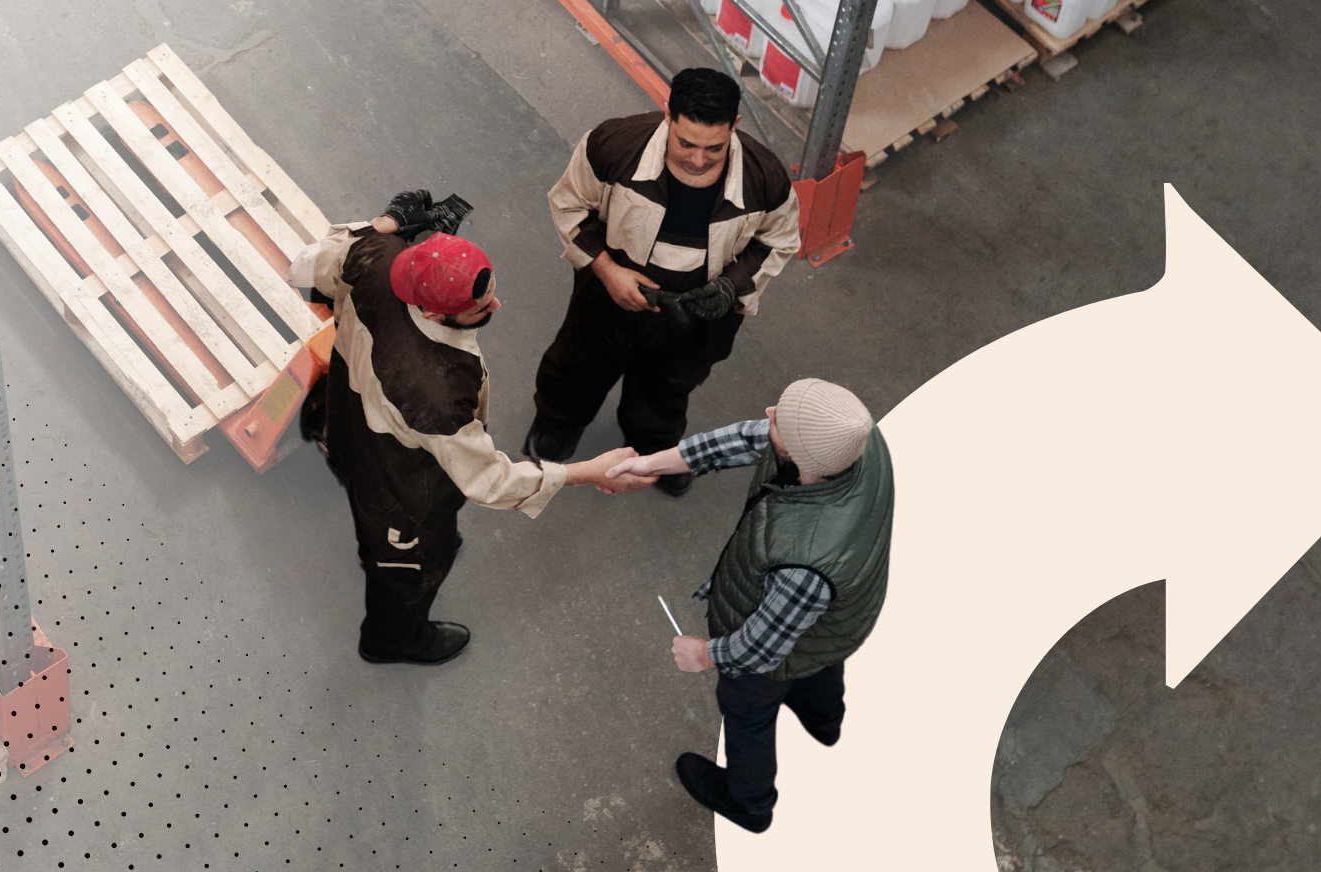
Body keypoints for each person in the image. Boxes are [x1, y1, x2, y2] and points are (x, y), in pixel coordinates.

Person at [291, 194, 652, 667]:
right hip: (400, 482)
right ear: (437, 315)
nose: (497, 305)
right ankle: (392, 640)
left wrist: (385, 224)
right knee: (410, 565)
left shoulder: (377, 255)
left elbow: (304, 269)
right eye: (481, 308)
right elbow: (489, 481)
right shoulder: (435, 392)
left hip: (348, 414)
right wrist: (589, 472)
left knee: (357, 476)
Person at [608, 379, 894, 833]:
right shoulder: (855, 437)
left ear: (799, 458)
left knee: (747, 711)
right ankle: (825, 721)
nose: (768, 412)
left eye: (780, 419)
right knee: (818, 658)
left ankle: (749, 802)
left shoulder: (806, 564)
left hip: (783, 638)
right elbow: (746, 437)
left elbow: (758, 649)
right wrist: (650, 463)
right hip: (839, 620)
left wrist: (702, 655)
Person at [523, 68, 801, 497]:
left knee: (669, 386)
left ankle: (655, 450)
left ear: (736, 127)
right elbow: (569, 206)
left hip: (698, 315)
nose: (697, 159)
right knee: (577, 365)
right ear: (667, 115)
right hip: (608, 299)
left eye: (714, 147)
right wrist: (607, 271)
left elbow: (779, 240)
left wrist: (732, 284)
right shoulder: (612, 147)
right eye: (686, 142)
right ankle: (557, 424)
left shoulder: (765, 180)